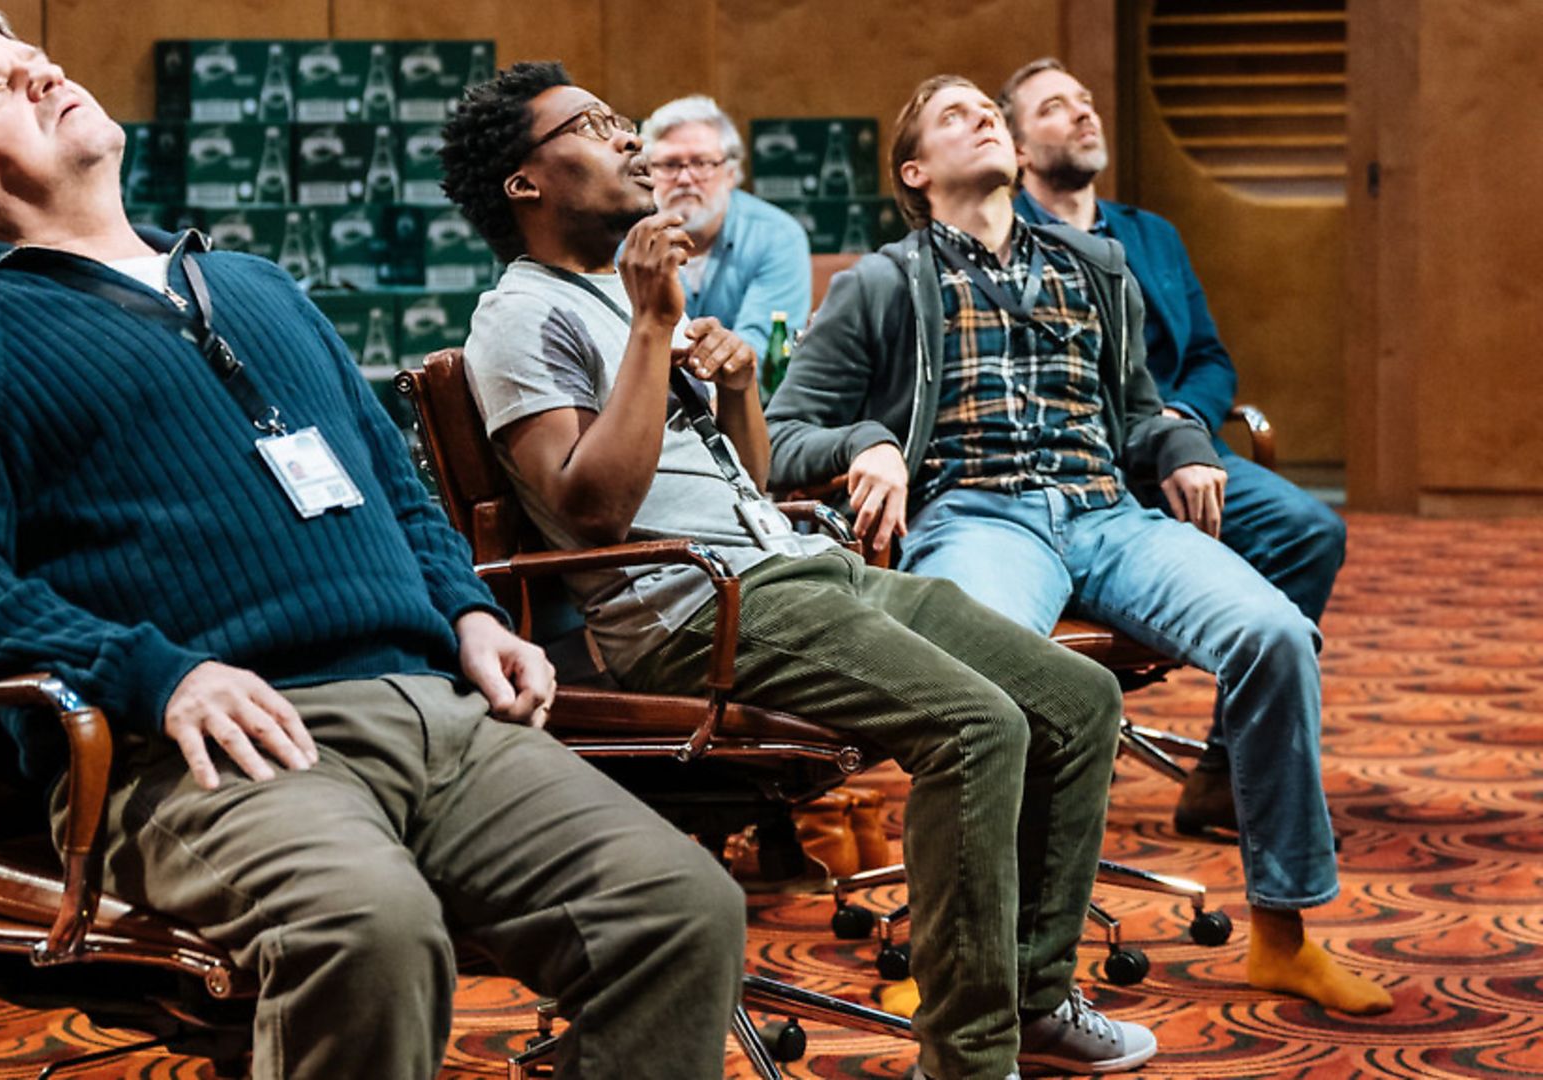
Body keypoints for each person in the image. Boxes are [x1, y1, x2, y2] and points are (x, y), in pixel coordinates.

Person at [0, 12, 745, 1080]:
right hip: (201, 746)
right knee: (367, 933)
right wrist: (162, 677)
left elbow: (399, 491)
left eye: (37, 63)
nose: (43, 76)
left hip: (437, 710)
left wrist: (464, 610)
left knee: (680, 908)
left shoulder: (261, 287)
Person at [442, 60, 1152, 1080]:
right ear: (527, 182)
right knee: (978, 725)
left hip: (790, 567)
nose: (629, 136)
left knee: (1078, 699)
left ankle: (1036, 1000)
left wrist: (733, 393)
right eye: (596, 126)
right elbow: (589, 506)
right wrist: (651, 326)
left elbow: (752, 482)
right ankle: (970, 1056)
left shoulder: (614, 294)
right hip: (700, 612)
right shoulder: (517, 317)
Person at [765, 74, 1393, 1019]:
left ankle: (1283, 936)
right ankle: (958, 959)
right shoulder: (882, 284)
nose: (982, 117)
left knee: (1277, 636)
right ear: (915, 171)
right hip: (977, 516)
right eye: (953, 117)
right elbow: (783, 437)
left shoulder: (1095, 266)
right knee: (977, 693)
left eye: (989, 109)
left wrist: (1180, 445)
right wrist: (871, 443)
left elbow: (1139, 409)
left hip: (1108, 513)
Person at [997, 57, 1350, 835]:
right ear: (1017, 149)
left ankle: (1226, 766)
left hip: (1177, 457)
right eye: (1055, 109)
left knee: (1310, 528)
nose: (1083, 115)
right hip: (1073, 464)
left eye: (1085, 102)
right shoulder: (1004, 241)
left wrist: (1184, 423)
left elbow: (1211, 358)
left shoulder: (1150, 235)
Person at [641, 95, 811, 354]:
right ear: (648, 173)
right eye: (669, 164)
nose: (685, 178)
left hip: (743, 393)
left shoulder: (777, 236)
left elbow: (763, 350)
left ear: (731, 173)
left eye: (700, 163)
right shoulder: (625, 241)